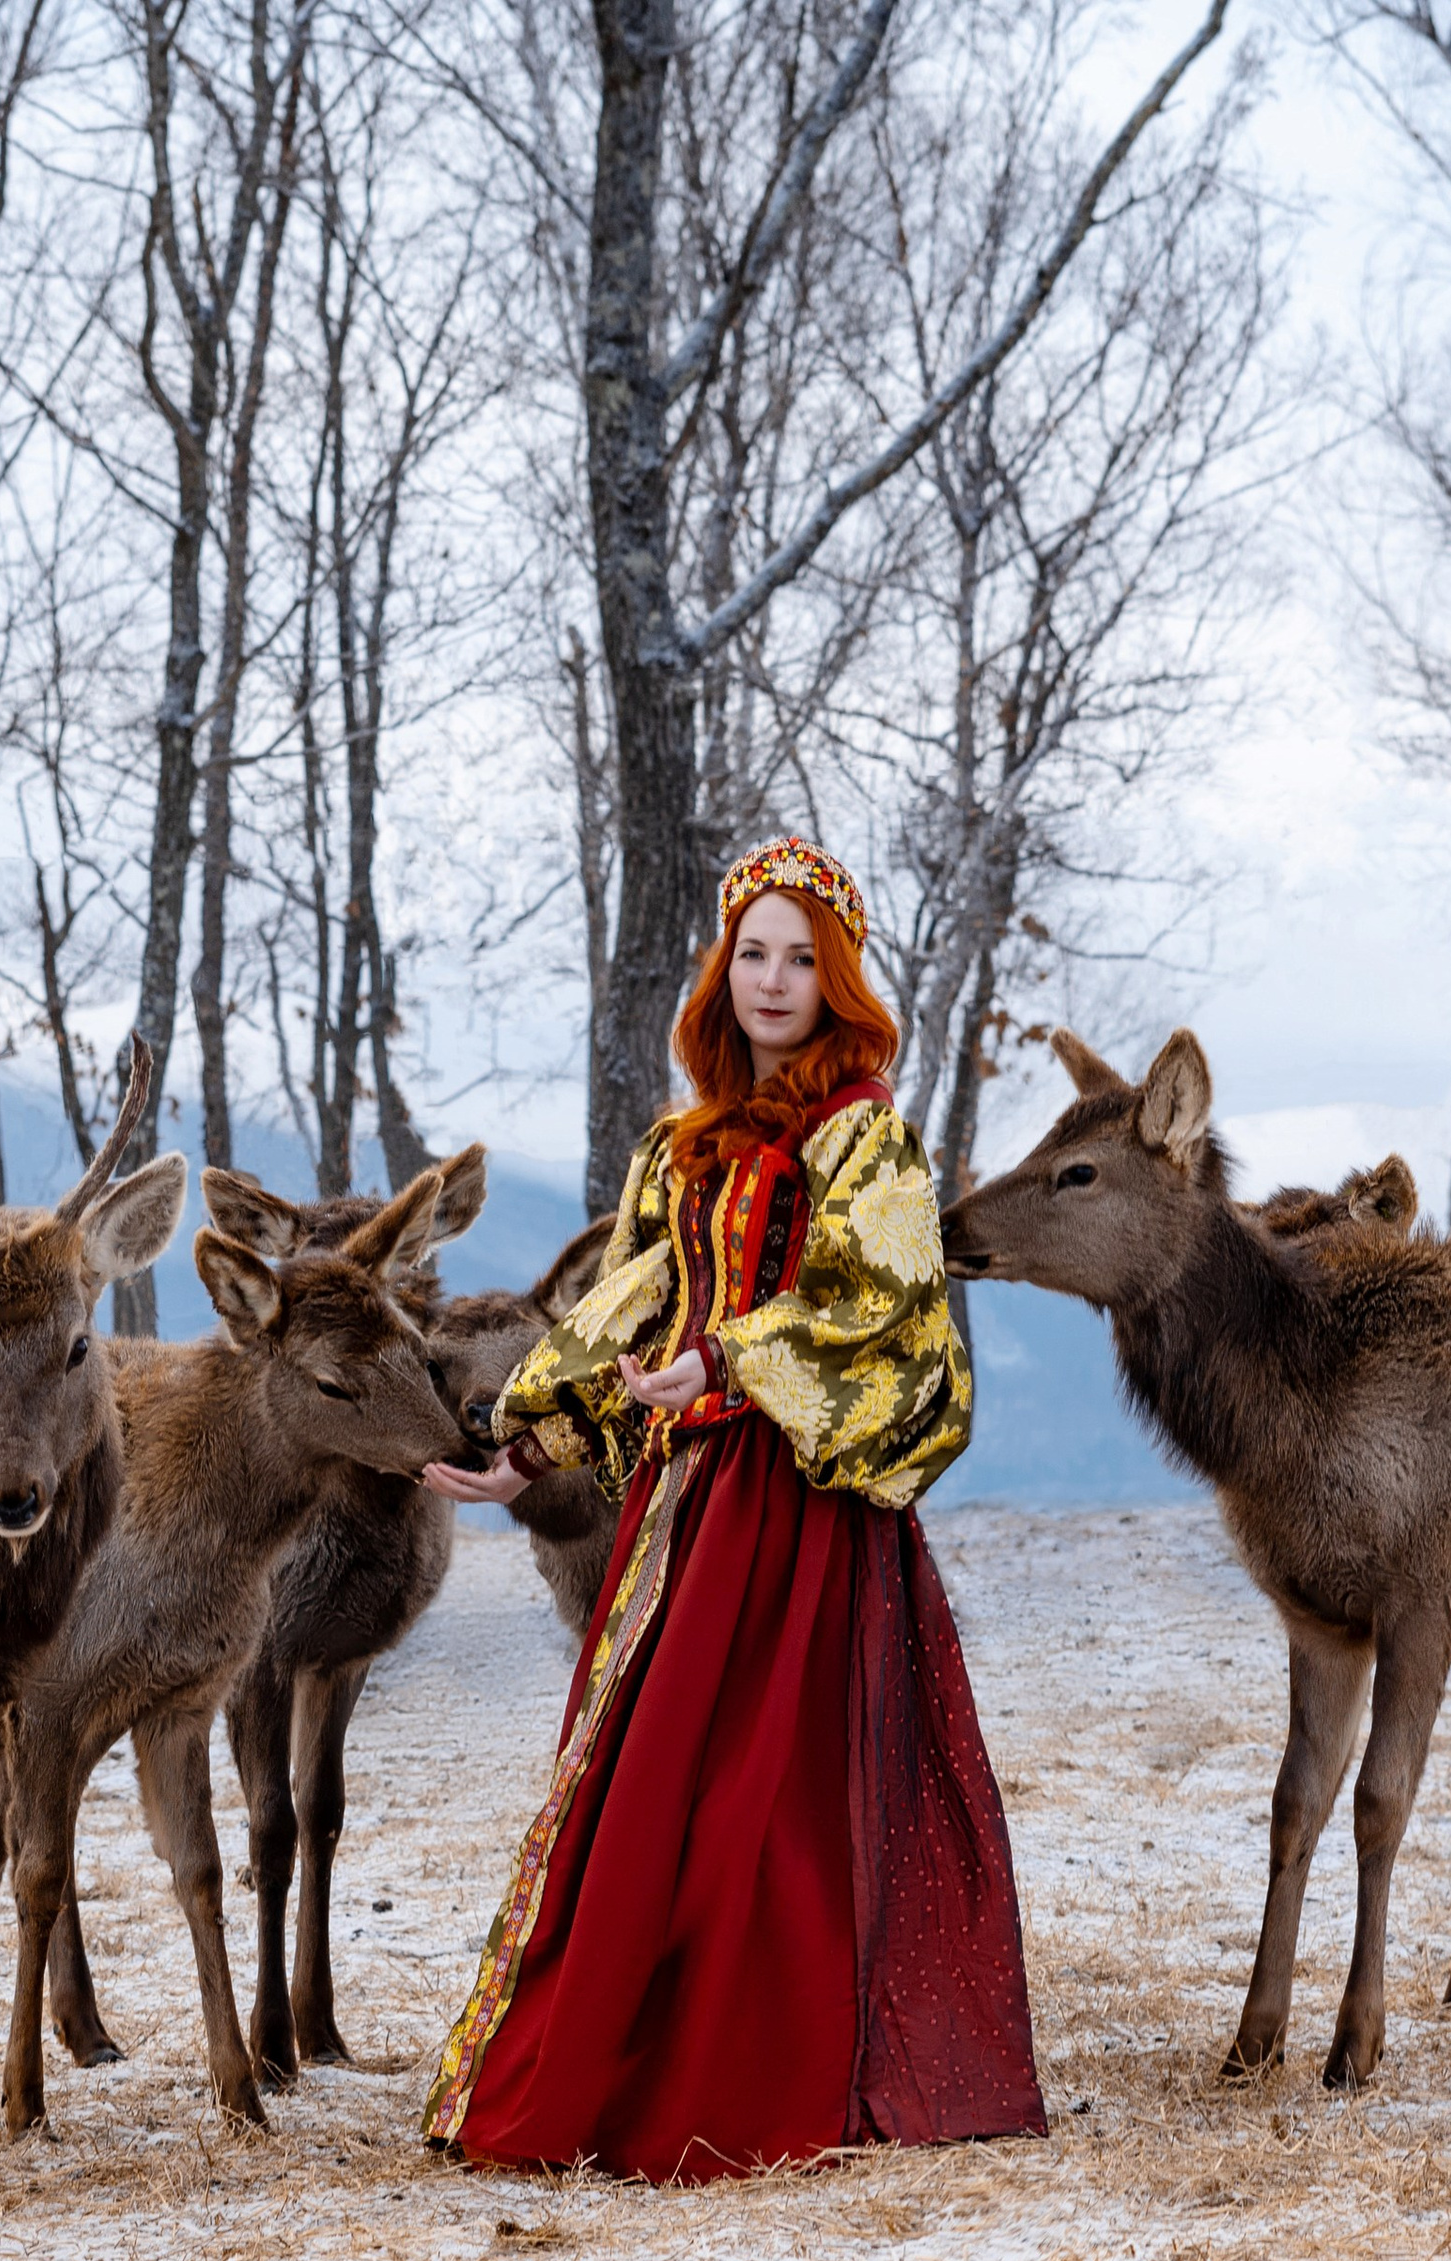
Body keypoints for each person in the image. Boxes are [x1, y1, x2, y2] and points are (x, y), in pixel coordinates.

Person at [419, 835, 1047, 2184]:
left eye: (799, 960)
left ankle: (764, 2072)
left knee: (781, 1806)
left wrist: (731, 1360)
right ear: (724, 973)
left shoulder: (866, 1138)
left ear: (837, 980)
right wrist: (531, 1447)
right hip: (685, 1510)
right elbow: (627, 1305)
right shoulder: (681, 1146)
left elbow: (883, 1304)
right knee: (655, 1793)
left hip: (809, 1518)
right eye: (751, 954)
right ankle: (616, 2069)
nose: (771, 980)